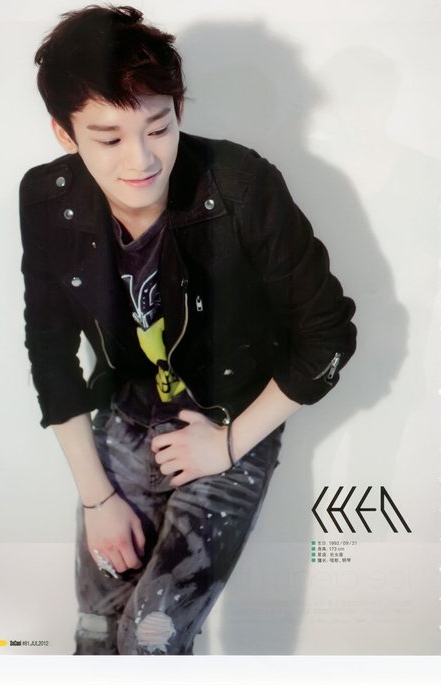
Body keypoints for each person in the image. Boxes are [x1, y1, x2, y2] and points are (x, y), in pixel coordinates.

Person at [19, 4, 356, 655]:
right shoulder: (47, 198)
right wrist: (96, 498)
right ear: (65, 133)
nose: (141, 159)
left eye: (159, 126)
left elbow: (329, 335)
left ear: (178, 108)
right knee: (96, 631)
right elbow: (49, 350)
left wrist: (228, 446)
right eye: (108, 139)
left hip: (231, 415)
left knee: (151, 638)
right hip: (123, 412)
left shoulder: (239, 185)